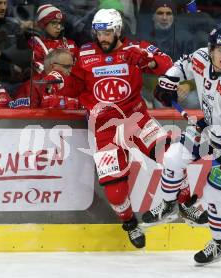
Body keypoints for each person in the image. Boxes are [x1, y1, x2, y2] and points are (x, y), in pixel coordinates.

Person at [142, 27, 221, 264]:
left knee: (213, 194)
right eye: (220, 49)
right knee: (173, 157)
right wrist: (169, 80)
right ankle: (169, 206)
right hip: (209, 129)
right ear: (210, 50)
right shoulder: (200, 57)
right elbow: (182, 64)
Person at [70, 8, 174, 249]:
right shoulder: (84, 54)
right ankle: (129, 223)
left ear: (117, 30)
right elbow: (73, 87)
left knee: (169, 157)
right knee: (115, 193)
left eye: (107, 33)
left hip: (136, 118)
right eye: (98, 33)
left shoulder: (135, 48)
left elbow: (167, 65)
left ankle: (183, 203)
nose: (102, 38)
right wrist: (60, 79)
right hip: (103, 128)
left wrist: (149, 60)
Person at [11, 48, 79, 109]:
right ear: (53, 67)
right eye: (67, 67)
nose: (70, 70)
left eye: (72, 66)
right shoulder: (31, 86)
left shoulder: (73, 83)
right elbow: (25, 117)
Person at [29, 4, 78, 75]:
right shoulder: (34, 44)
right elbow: (41, 73)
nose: (59, 27)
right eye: (54, 23)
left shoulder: (70, 43)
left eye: (60, 23)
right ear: (43, 24)